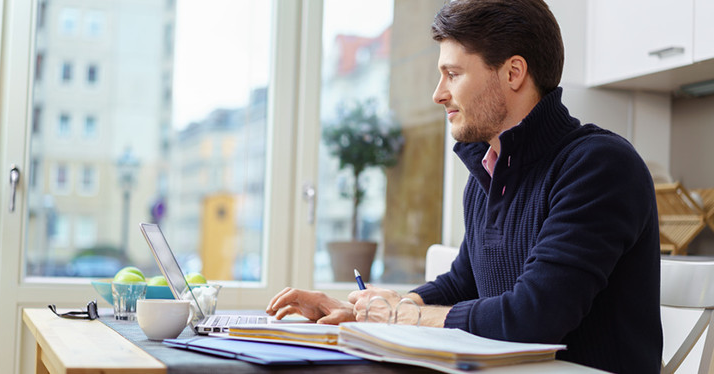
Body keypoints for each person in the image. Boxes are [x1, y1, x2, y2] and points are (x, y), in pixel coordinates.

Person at [266, 0, 662, 372]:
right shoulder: (486, 177)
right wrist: (367, 310)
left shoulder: (597, 165)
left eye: (453, 74)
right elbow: (463, 283)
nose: (438, 94)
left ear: (513, 72)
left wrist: (403, 316)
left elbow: (533, 317)